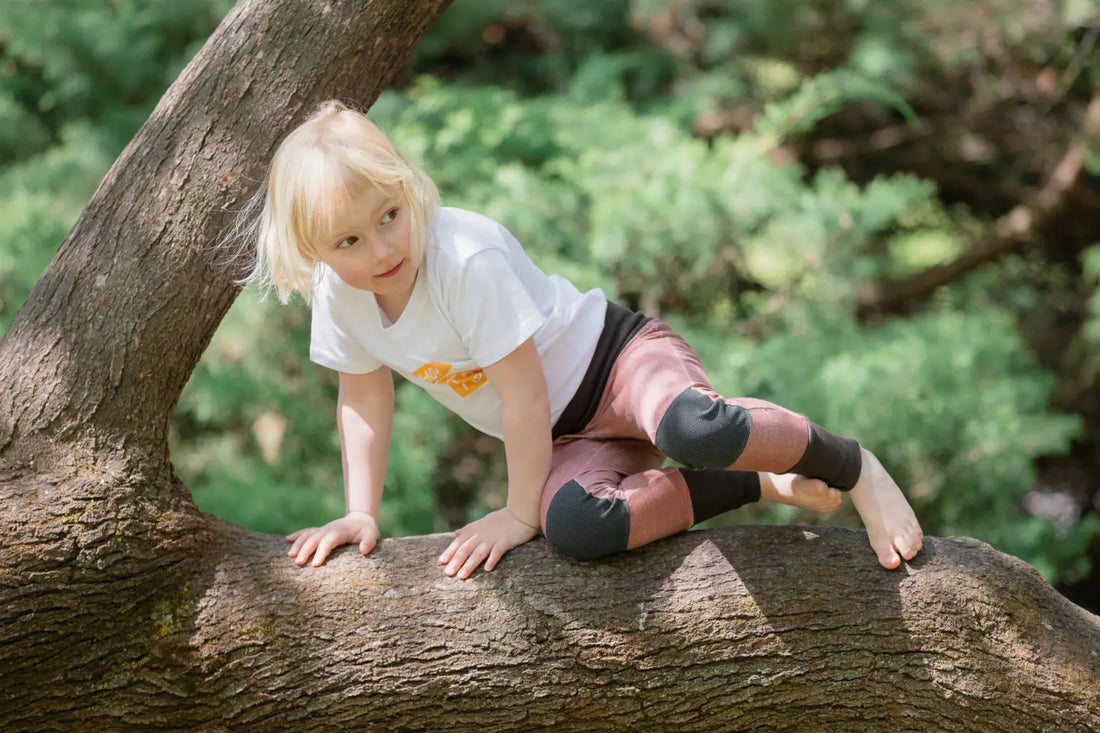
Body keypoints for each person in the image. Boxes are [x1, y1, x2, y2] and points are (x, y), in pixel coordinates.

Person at [245, 100, 923, 580]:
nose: (383, 248)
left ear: (406, 187)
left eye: (389, 215)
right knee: (576, 528)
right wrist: (361, 513)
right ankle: (751, 483)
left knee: (694, 427)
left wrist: (515, 513)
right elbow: (363, 398)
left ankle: (852, 462)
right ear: (314, 252)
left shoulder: (462, 257)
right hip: (569, 436)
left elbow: (522, 389)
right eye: (350, 241)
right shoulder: (340, 297)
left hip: (621, 363)